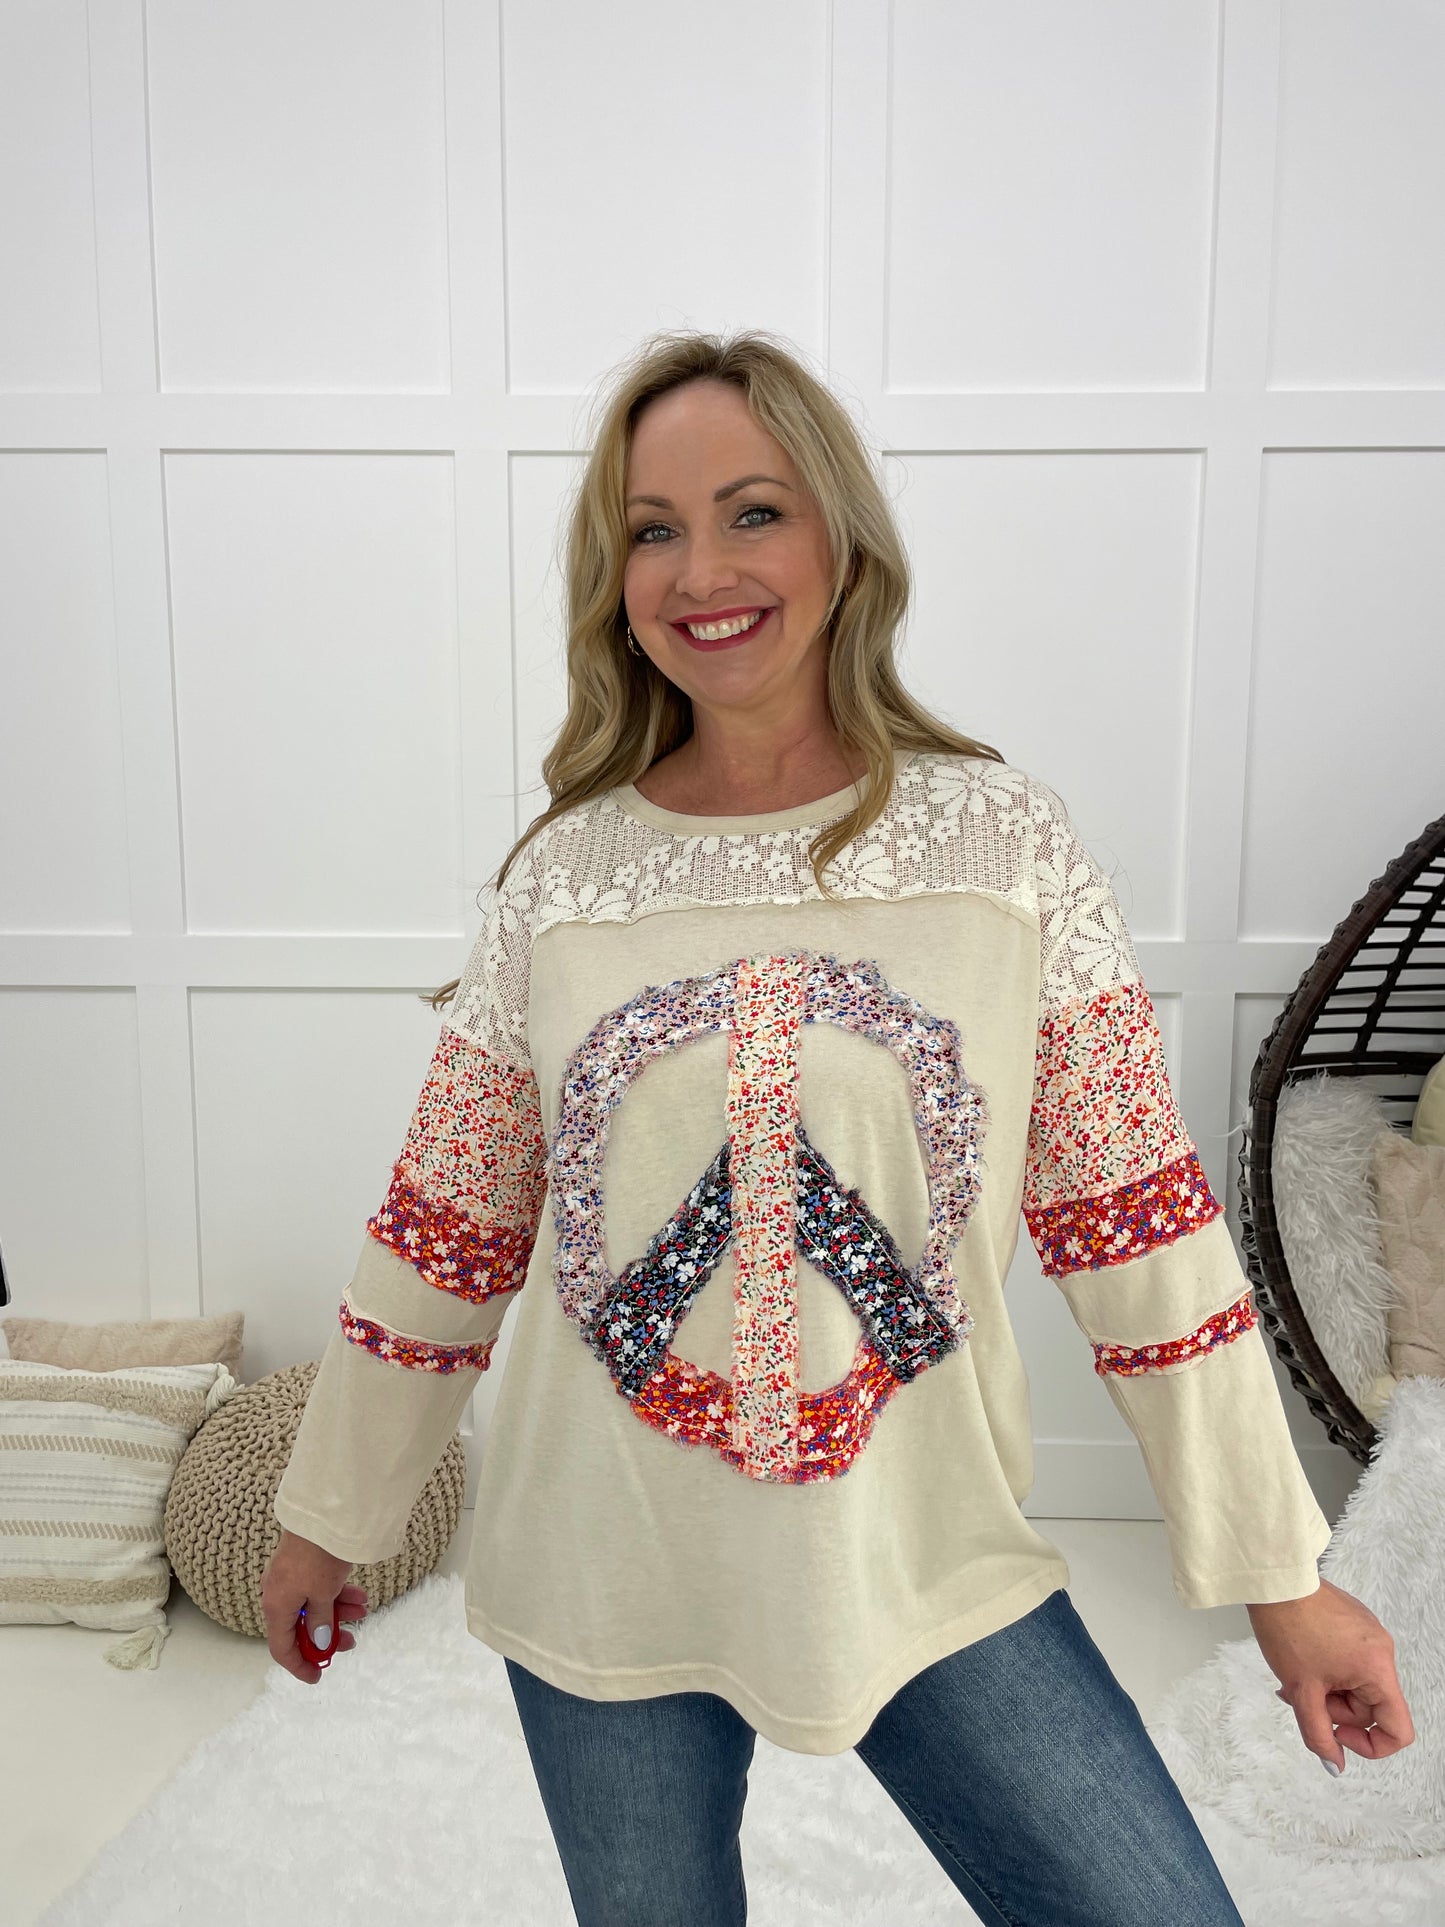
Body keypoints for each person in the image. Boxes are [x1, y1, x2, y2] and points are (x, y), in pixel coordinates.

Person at [261, 329, 1413, 1927]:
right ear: (612, 579)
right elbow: (445, 1232)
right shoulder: (564, 881)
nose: (700, 571)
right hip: (602, 1568)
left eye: (752, 511)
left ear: (842, 541)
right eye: (651, 530)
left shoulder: (999, 846)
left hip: (923, 1552)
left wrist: (1279, 1579)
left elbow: (1139, 1235)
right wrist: (327, 1518)